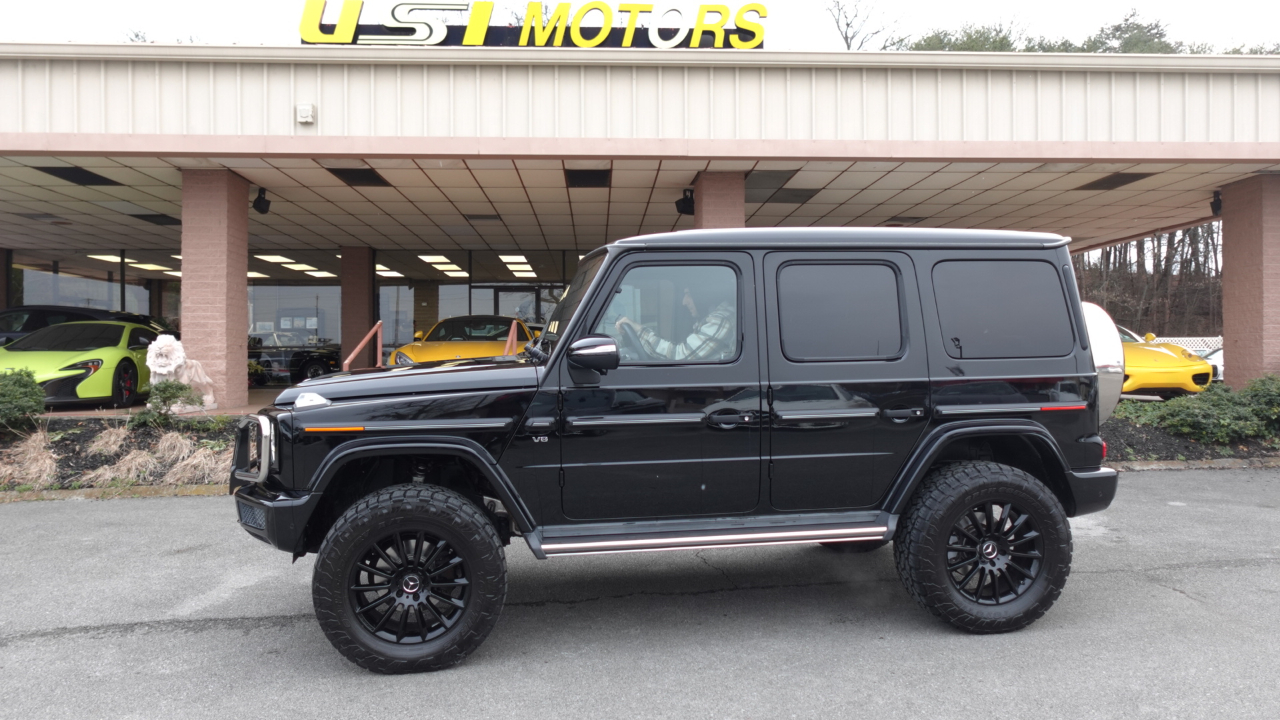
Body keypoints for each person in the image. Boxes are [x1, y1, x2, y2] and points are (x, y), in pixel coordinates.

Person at [614, 286, 736, 362]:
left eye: (688, 294)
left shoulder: (720, 320)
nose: (684, 302)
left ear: (702, 295)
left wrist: (640, 330)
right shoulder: (709, 317)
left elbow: (681, 356)